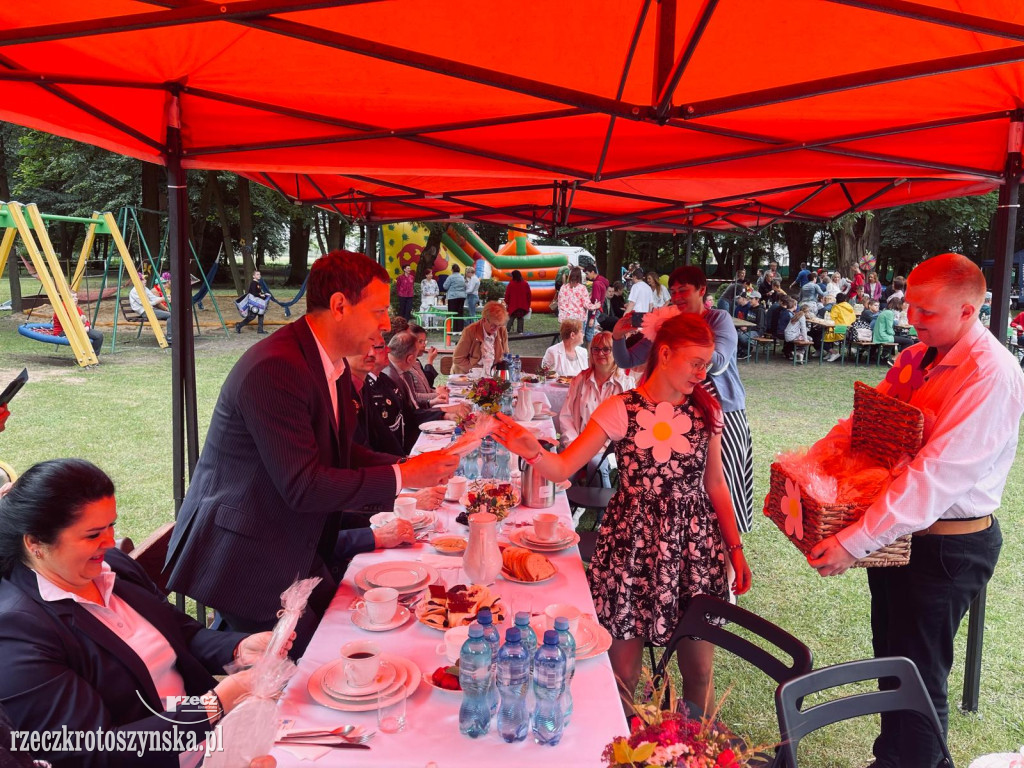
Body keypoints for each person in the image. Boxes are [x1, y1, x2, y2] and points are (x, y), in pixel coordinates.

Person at [164, 250, 458, 654]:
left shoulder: (329, 364)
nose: (386, 324)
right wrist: (404, 477)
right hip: (249, 556)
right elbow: (303, 486)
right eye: (378, 311)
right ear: (339, 306)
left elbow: (342, 453)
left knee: (347, 640)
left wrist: (407, 465)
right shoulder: (276, 366)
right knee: (301, 670)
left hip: (295, 546)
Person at [807, 253, 1024, 768]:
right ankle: (892, 760)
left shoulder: (990, 374)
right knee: (893, 665)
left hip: (947, 547)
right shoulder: (921, 355)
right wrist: (815, 462)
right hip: (903, 539)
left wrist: (853, 540)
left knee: (918, 680)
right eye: (911, 306)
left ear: (969, 311)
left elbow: (936, 479)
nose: (912, 319)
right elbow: (872, 420)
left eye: (927, 312)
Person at [495, 313, 750, 715]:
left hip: (692, 548)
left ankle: (692, 745)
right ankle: (623, 743)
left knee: (699, 670)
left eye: (707, 363)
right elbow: (563, 468)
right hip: (631, 545)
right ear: (664, 354)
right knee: (624, 670)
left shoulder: (706, 410)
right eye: (696, 362)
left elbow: (715, 484)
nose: (704, 373)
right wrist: (531, 450)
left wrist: (735, 548)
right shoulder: (621, 409)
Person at [0, 459, 290, 768]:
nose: (110, 542)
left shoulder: (111, 567)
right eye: (92, 534)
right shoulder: (17, 633)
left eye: (111, 525)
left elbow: (179, 632)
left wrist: (237, 648)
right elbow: (88, 751)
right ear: (35, 544)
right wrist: (211, 707)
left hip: (220, 738)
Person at [612, 266, 756, 534]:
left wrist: (687, 342)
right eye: (674, 291)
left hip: (724, 412)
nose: (677, 296)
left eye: (684, 291)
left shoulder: (718, 319)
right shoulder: (668, 325)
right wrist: (619, 335)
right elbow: (627, 360)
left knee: (725, 487)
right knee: (689, 492)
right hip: (682, 420)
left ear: (702, 291)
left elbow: (720, 362)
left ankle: (730, 562)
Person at [558, 331, 633, 485]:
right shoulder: (580, 380)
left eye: (606, 349)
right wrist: (573, 445)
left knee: (597, 466)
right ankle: (569, 504)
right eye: (596, 349)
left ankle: (602, 507)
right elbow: (566, 417)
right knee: (561, 476)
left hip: (608, 449)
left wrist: (600, 452)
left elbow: (629, 425)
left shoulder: (626, 384)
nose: (600, 353)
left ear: (616, 352)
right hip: (578, 443)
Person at [452, 301, 509, 374]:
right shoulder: (470, 331)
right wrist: (476, 372)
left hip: (493, 376)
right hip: (470, 376)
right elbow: (458, 359)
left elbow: (506, 355)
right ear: (484, 319)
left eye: (499, 325)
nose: (496, 329)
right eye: (493, 325)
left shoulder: (502, 330)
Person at [52, 291, 104, 355]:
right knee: (90, 336)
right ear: (66, 298)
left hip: (76, 329)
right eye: (73, 297)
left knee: (99, 335)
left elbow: (86, 321)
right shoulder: (62, 309)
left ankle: (94, 356)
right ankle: (88, 356)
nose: (76, 299)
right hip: (63, 332)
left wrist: (87, 327)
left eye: (76, 297)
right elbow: (69, 324)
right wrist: (81, 321)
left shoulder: (76, 308)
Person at [872, 296, 916, 364]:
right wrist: (893, 333)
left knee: (904, 340)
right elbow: (889, 330)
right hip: (884, 336)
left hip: (880, 335)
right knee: (909, 341)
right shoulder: (889, 313)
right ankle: (894, 359)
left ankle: (894, 358)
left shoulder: (885, 311)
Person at [128, 279, 171, 343]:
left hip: (150, 310)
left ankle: (176, 335)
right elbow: (147, 304)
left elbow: (153, 298)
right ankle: (170, 338)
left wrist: (165, 297)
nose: (145, 280)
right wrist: (162, 299)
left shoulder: (145, 288)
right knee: (171, 315)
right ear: (137, 281)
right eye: (142, 279)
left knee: (174, 314)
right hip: (145, 312)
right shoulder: (135, 291)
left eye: (145, 278)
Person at [235, 270, 269, 334]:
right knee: (252, 316)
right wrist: (260, 295)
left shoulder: (258, 283)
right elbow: (253, 293)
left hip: (258, 302)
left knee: (261, 314)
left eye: (259, 274)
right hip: (253, 303)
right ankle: (239, 325)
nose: (259, 275)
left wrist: (263, 294)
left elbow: (258, 292)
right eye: (257, 274)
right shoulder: (253, 283)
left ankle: (260, 330)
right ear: (253, 276)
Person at [584, 263, 609, 344]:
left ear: (592, 272)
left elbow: (596, 301)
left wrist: (592, 317)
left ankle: (589, 354)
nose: (587, 276)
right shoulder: (602, 280)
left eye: (587, 274)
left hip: (594, 310)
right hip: (598, 309)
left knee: (589, 333)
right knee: (590, 331)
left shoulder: (596, 284)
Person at [504, 270, 532, 334]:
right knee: (520, 317)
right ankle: (520, 331)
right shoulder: (525, 283)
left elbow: (507, 294)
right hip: (522, 304)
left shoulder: (511, 283)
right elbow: (529, 295)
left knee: (511, 317)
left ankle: (507, 330)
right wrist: (528, 303)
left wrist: (507, 302)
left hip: (513, 305)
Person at [445, 264, 467, 331]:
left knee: (453, 313)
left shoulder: (450, 277)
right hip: (462, 297)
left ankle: (454, 329)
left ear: (452, 270)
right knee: (460, 313)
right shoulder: (462, 277)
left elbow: (445, 286)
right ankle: (460, 329)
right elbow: (465, 286)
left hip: (453, 297)